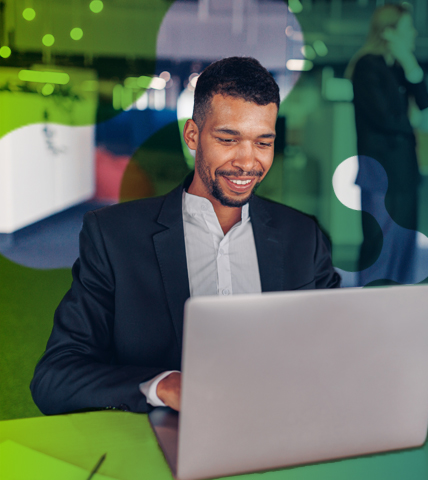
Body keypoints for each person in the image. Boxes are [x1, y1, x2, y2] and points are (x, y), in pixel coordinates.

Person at [31, 57, 341, 415]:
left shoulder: (304, 236)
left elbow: (334, 351)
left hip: (280, 437)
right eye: (228, 139)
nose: (247, 161)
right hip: (165, 449)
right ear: (192, 135)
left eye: (263, 143)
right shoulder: (115, 237)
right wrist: (162, 386)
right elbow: (55, 378)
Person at [345, 3, 428, 285]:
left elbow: (424, 104)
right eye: (408, 27)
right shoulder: (367, 66)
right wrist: (412, 121)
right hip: (380, 173)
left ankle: (396, 315)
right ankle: (368, 316)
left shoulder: (398, 69)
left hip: (404, 170)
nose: (415, 33)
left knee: (404, 248)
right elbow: (386, 117)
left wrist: (410, 64)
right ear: (389, 31)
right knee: (378, 246)